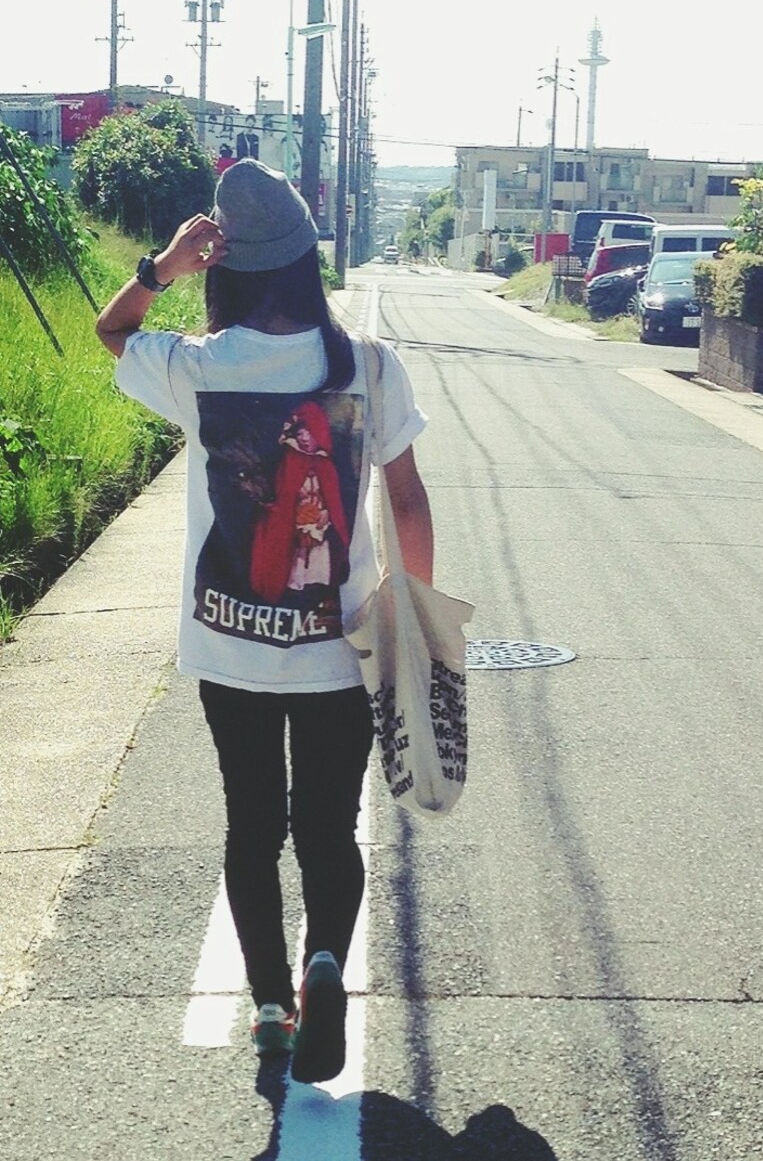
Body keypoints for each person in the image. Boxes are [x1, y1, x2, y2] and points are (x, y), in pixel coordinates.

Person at [95, 159, 433, 1083]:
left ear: (229, 269)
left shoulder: (200, 368)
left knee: (252, 827)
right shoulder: (367, 365)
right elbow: (408, 502)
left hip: (229, 652)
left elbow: (112, 329)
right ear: (307, 261)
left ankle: (274, 1008)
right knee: (328, 828)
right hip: (339, 648)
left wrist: (164, 266)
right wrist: (411, 615)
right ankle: (325, 963)